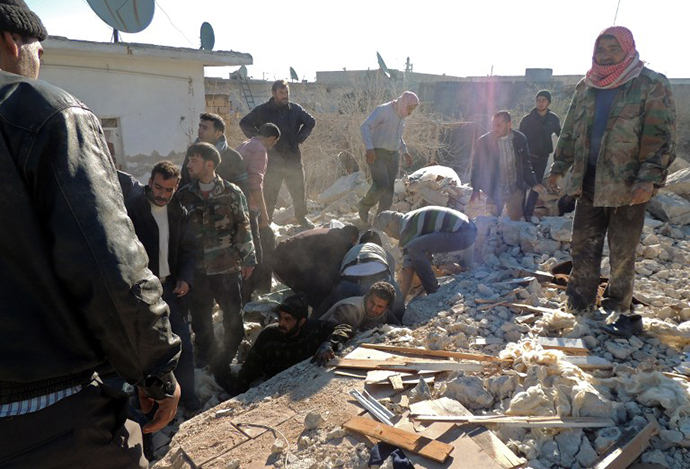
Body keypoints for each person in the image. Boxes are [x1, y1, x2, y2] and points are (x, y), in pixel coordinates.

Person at [0, 2, 180, 467]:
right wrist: (155, 370)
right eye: (39, 50)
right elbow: (108, 265)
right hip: (47, 420)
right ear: (11, 41)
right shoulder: (43, 114)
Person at [546, 26, 676, 338]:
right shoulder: (587, 85)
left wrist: (649, 178)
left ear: (628, 49)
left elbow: (661, 139)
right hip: (589, 182)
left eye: (612, 49)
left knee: (622, 253)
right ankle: (579, 302)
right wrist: (559, 165)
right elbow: (570, 131)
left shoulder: (650, 84)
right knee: (583, 247)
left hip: (628, 187)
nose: (605, 55)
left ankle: (617, 307)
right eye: (600, 50)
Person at [175, 142, 256, 389]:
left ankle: (223, 362)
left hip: (226, 269)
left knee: (234, 319)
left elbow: (243, 226)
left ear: (209, 164)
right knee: (201, 322)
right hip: (197, 272)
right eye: (189, 160)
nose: (188, 165)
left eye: (194, 161)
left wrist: (248, 258)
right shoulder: (184, 195)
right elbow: (176, 235)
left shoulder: (232, 193)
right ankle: (207, 362)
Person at [125, 161, 200, 412]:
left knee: (183, 345)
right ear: (150, 183)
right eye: (158, 187)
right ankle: (151, 402)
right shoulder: (133, 210)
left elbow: (190, 248)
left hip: (171, 290)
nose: (162, 195)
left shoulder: (179, 210)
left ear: (176, 188)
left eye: (169, 190)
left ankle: (188, 399)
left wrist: (186, 278)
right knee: (147, 349)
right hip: (143, 292)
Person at [231, 294, 353, 395]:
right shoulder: (269, 335)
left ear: (302, 321)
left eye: (287, 319)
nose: (281, 323)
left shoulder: (314, 329)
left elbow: (345, 327)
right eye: (280, 317)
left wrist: (328, 344)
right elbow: (249, 370)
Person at [240, 79, 316, 229]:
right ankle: (266, 221)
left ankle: (301, 218)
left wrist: (299, 139)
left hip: (292, 157)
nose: (285, 95)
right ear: (273, 93)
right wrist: (260, 140)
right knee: (270, 191)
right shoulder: (263, 110)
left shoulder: (295, 109)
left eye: (286, 92)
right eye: (281, 92)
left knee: (298, 189)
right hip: (272, 160)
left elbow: (310, 121)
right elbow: (244, 123)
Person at [375, 206, 477, 298]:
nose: (389, 236)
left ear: (390, 225)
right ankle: (432, 283)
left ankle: (433, 291)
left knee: (414, 248)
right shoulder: (410, 218)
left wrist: (401, 298)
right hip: (468, 229)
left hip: (464, 233)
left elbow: (408, 269)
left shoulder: (406, 229)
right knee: (419, 249)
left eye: (386, 231)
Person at [470, 111, 546, 221]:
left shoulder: (520, 139)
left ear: (509, 124)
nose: (495, 128)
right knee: (491, 223)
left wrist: (533, 184)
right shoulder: (484, 142)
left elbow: (525, 165)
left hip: (515, 190)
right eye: (493, 125)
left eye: (499, 125)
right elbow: (477, 166)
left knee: (514, 224)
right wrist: (475, 189)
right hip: (494, 189)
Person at [358, 91, 420, 223]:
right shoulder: (384, 110)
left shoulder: (401, 116)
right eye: (410, 108)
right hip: (377, 153)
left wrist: (405, 151)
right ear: (404, 104)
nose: (410, 112)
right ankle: (364, 206)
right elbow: (365, 127)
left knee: (389, 189)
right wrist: (369, 148)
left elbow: (397, 137)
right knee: (382, 184)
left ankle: (380, 219)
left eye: (413, 110)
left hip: (393, 155)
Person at [315, 230, 404, 321]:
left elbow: (340, 273)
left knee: (337, 308)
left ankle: (315, 322)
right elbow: (388, 287)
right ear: (380, 245)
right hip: (378, 278)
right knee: (397, 300)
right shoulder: (384, 252)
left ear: (360, 242)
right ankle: (401, 322)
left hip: (349, 282)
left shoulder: (352, 250)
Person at [236, 123, 281, 300]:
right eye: (274, 143)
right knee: (260, 252)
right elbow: (255, 184)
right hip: (249, 207)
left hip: (236, 205)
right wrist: (264, 212)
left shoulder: (244, 145)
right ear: (272, 139)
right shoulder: (260, 150)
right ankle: (254, 294)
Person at [271, 225, 359, 309]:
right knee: (320, 293)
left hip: (278, 257)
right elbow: (336, 269)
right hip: (287, 262)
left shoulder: (330, 232)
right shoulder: (343, 240)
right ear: (353, 238)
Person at [180, 112, 249, 194]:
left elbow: (243, 190)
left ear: (218, 134)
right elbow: (184, 180)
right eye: (200, 126)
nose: (200, 131)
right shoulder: (192, 152)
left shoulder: (233, 157)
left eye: (205, 128)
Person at [519, 90, 562, 219]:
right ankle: (519, 211)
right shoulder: (527, 119)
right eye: (538, 100)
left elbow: (561, 135)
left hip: (543, 157)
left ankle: (528, 213)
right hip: (527, 157)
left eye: (543, 100)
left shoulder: (553, 119)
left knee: (536, 185)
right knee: (524, 184)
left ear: (548, 102)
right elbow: (520, 139)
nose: (540, 103)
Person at [321, 282, 399, 333]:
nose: (373, 309)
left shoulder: (385, 314)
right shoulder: (350, 308)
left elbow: (400, 329)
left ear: (386, 308)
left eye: (380, 306)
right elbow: (328, 330)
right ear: (367, 296)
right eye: (372, 302)